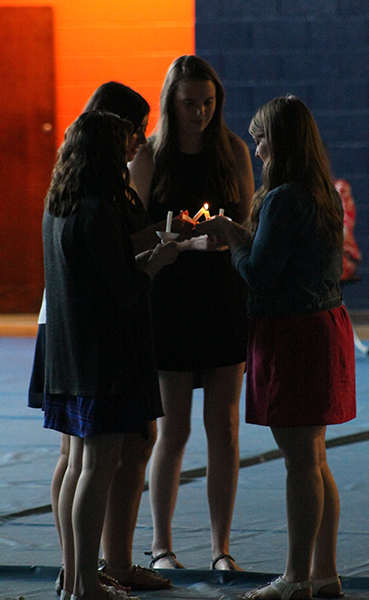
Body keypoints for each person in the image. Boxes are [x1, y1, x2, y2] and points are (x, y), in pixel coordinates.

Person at [28, 81, 187, 592]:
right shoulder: (97, 209)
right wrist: (157, 261)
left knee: (80, 462)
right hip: (103, 356)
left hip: (71, 352)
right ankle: (85, 583)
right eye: (130, 134)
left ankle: (78, 577)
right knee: (95, 465)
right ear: (106, 146)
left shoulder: (61, 202)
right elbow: (122, 288)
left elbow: (99, 272)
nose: (136, 142)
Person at [197, 96, 356, 599]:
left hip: (294, 334)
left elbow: (260, 274)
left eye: (261, 138)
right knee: (315, 458)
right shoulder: (322, 192)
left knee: (300, 462)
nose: (257, 149)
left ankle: (295, 578)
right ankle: (323, 572)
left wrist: (230, 235)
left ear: (281, 142)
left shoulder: (285, 197)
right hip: (323, 326)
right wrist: (243, 234)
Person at [130, 55, 254, 570]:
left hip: (223, 296)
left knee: (224, 428)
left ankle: (221, 548)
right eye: (189, 104)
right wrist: (177, 240)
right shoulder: (149, 155)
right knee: (172, 428)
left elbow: (248, 225)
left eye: (208, 103)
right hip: (170, 299)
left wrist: (226, 236)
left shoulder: (233, 150)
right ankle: (161, 546)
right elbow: (134, 235)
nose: (200, 113)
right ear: (170, 102)